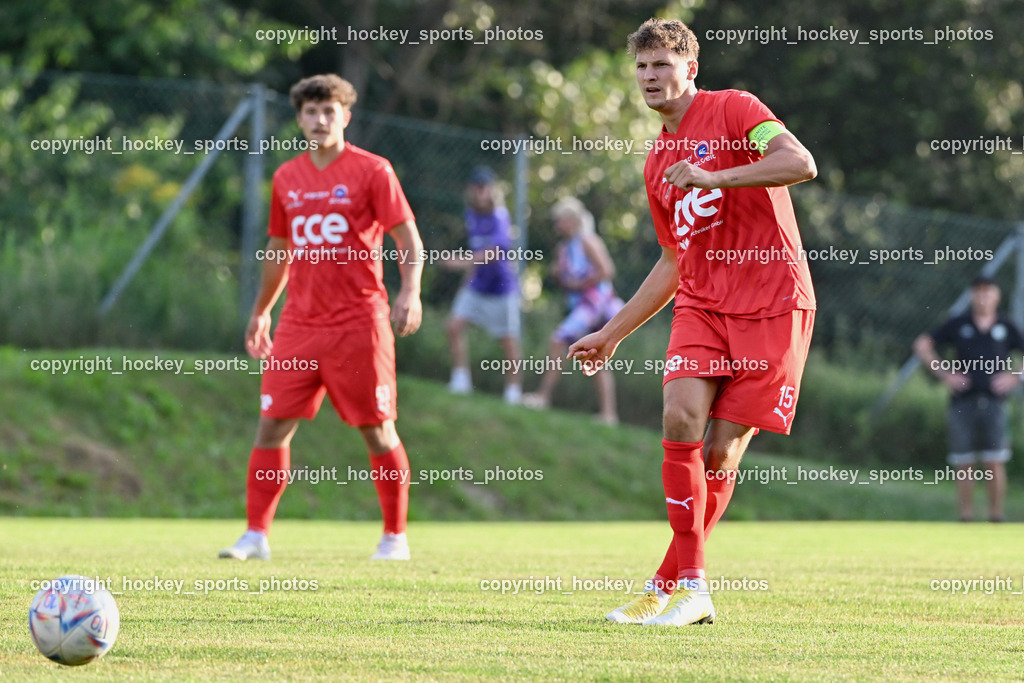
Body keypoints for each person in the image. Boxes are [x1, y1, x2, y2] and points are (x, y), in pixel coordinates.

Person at [568, 18, 817, 626]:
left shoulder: (735, 109)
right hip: (703, 304)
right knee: (680, 416)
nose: (651, 77)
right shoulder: (656, 161)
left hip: (773, 300)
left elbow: (799, 161)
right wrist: (612, 331)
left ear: (690, 68)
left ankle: (665, 587)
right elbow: (674, 261)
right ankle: (696, 589)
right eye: (642, 68)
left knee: (721, 453)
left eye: (661, 65)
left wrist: (716, 176)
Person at [219, 74, 424, 562]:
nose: (320, 119)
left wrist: (411, 293)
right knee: (271, 427)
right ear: (299, 118)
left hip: (359, 324)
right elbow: (279, 248)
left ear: (345, 116)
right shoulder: (287, 177)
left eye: (329, 110)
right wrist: (261, 312)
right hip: (299, 326)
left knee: (377, 430)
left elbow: (409, 241)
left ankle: (394, 537)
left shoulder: (374, 171)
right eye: (311, 112)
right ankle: (255, 535)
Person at [913, 275, 1022, 523]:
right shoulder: (958, 323)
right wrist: (944, 374)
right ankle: (966, 517)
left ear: (997, 296)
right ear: (972, 295)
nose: (983, 297)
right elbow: (922, 344)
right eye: (978, 292)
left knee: (994, 460)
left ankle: (996, 516)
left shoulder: (1006, 326)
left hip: (995, 403)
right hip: (962, 402)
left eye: (988, 292)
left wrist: (1015, 377)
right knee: (964, 462)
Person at [523, 197, 622, 424]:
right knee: (595, 357)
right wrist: (558, 273)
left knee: (558, 339)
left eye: (560, 221)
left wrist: (580, 284)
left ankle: (543, 397)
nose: (557, 226)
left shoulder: (587, 241)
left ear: (572, 220)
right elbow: (565, 279)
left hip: (596, 305)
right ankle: (609, 415)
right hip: (583, 306)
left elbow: (607, 270)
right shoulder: (564, 248)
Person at [444, 166, 523, 404]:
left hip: (501, 288)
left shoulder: (500, 217)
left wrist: (459, 262)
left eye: (484, 187)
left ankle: (513, 392)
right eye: (477, 188)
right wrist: (465, 282)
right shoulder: (471, 215)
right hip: (477, 285)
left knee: (508, 341)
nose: (480, 192)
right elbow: (477, 254)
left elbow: (494, 252)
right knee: (453, 326)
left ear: (492, 190)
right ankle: (460, 380)